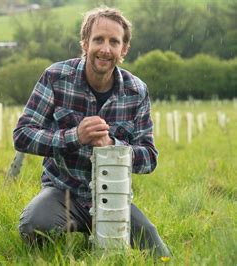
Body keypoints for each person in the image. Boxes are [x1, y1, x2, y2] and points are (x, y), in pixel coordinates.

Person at [12, 6, 171, 259]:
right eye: (98, 39)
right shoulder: (55, 77)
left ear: (124, 50)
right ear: (85, 43)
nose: (105, 49)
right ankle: (75, 231)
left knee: (157, 252)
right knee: (33, 225)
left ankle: (102, 230)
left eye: (114, 42)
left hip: (114, 196)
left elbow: (150, 158)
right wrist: (74, 136)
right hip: (62, 190)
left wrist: (113, 146)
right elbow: (22, 135)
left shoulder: (137, 91)